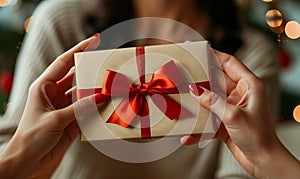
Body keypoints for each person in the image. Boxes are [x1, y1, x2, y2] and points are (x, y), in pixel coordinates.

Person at [0, 0, 280, 178]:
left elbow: (245, 170)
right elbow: (15, 144)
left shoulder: (249, 58)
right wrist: (25, 157)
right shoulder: (61, 19)